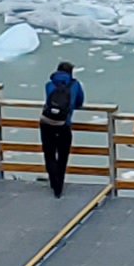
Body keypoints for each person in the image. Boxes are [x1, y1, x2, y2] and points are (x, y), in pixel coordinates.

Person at [38, 60, 83, 195]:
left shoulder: (49, 85)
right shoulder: (75, 85)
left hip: (46, 122)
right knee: (63, 155)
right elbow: (79, 102)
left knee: (49, 153)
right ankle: (59, 187)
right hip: (63, 124)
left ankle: (53, 183)